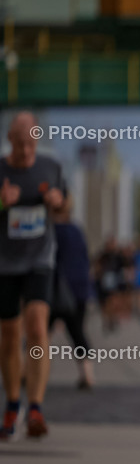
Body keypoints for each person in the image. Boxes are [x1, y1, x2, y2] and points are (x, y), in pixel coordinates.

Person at [0, 111, 68, 439]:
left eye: (31, 143)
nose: (26, 151)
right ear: (9, 141)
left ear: (37, 140)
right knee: (10, 336)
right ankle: (13, 403)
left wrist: (57, 202)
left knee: (38, 327)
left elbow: (65, 210)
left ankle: (36, 407)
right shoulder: (0, 170)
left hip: (40, 258)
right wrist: (2, 202)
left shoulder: (51, 168)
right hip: (4, 263)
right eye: (19, 144)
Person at [50, 204, 95, 390]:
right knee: (78, 333)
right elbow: (86, 259)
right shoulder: (77, 231)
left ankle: (31, 371)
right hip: (80, 289)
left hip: (57, 289)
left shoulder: (52, 231)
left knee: (40, 333)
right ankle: (87, 373)